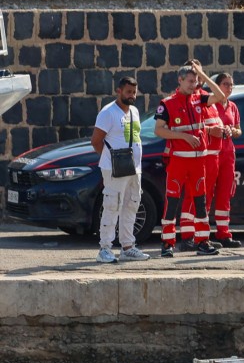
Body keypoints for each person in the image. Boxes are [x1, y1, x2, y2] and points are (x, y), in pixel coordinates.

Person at [154, 60, 228, 258]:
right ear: (179, 80)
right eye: (189, 81)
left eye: (195, 81)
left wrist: (203, 76)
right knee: (172, 203)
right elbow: (159, 130)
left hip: (199, 162)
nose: (193, 84)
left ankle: (203, 241)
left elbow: (220, 96)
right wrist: (184, 137)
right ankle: (167, 243)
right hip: (179, 161)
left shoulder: (199, 99)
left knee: (200, 203)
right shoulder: (167, 103)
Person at [90, 76, 150, 263]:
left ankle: (127, 246)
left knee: (132, 203)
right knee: (112, 204)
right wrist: (109, 160)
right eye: (128, 92)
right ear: (119, 91)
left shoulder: (134, 111)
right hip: (114, 168)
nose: (132, 95)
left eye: (134, 92)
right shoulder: (108, 113)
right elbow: (96, 141)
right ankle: (105, 248)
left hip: (134, 167)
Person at [209, 73, 242, 248]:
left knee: (225, 194)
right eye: (225, 84)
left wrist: (232, 131)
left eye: (231, 84)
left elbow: (238, 130)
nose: (229, 88)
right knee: (206, 194)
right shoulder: (210, 104)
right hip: (212, 153)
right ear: (217, 86)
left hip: (228, 154)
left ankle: (223, 234)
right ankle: (201, 234)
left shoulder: (233, 107)